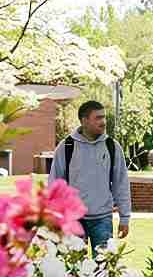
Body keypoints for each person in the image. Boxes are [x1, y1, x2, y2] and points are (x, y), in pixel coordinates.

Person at [50, 100, 132, 253]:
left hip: (103, 220)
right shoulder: (67, 147)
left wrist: (125, 217)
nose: (103, 122)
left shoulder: (112, 147)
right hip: (73, 220)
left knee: (103, 271)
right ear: (84, 120)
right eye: (98, 118)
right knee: (73, 270)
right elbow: (55, 184)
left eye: (104, 117)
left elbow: (121, 184)